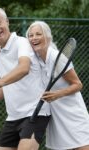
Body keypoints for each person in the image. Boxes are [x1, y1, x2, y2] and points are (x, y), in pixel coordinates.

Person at [0, 8, 51, 150]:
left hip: (35, 112)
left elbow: (24, 68)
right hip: (13, 117)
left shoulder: (22, 43)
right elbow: (6, 87)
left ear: (7, 22)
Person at [26, 21, 89, 150]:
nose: (34, 38)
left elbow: (78, 85)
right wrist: (0, 45)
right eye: (31, 35)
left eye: (38, 34)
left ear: (48, 38)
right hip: (55, 117)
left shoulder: (57, 57)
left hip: (73, 114)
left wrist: (58, 94)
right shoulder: (33, 59)